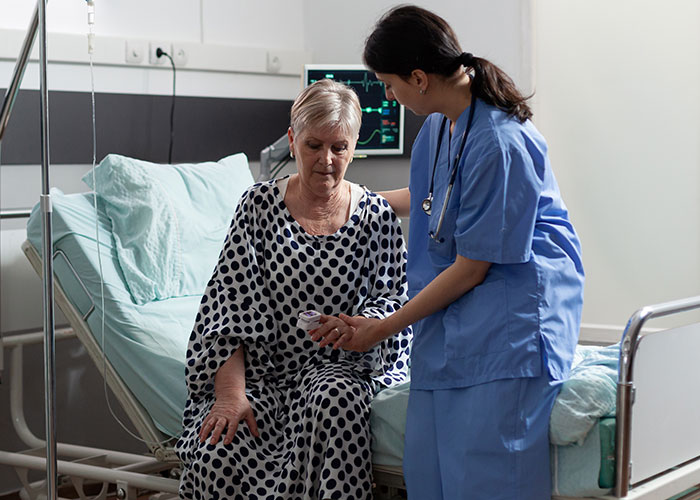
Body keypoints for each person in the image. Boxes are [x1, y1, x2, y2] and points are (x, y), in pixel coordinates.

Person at [310, 5, 584, 500]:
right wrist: (351, 201)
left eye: (389, 85)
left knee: (486, 480)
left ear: (418, 77)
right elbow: (436, 197)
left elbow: (473, 266)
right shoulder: (441, 125)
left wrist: (382, 327)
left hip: (510, 325)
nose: (388, 96)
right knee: (430, 475)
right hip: (451, 326)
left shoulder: (501, 144)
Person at [175, 79, 412, 500]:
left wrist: (363, 325)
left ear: (355, 146)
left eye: (339, 147)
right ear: (292, 140)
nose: (327, 160)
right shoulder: (258, 207)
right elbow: (226, 307)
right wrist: (231, 396)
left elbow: (392, 301)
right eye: (313, 145)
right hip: (264, 378)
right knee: (217, 450)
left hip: (342, 372)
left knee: (332, 403)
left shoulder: (377, 217)